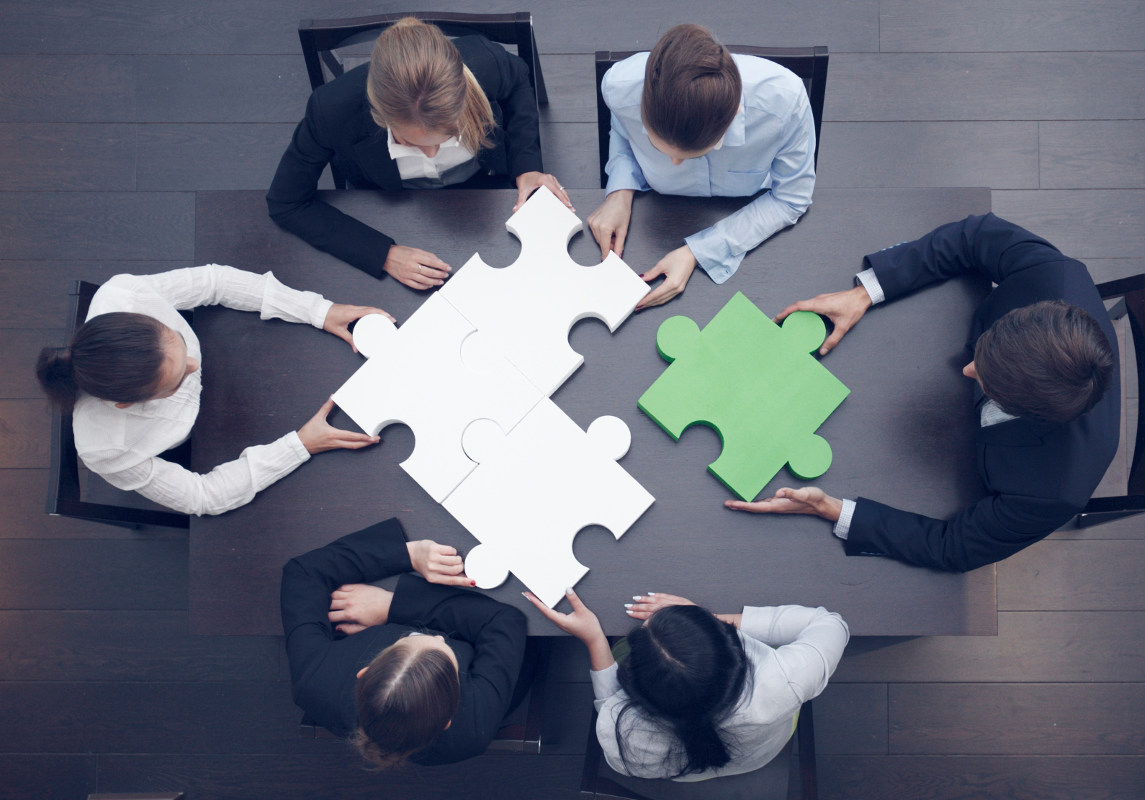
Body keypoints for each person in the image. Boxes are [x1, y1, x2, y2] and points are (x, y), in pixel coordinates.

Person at [727, 213, 1121, 572]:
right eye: (985, 352)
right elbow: (975, 235)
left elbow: (955, 548)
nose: (966, 369)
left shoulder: (1057, 491)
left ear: (1028, 411)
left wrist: (831, 509)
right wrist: (865, 293)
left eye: (989, 382)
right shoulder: (1056, 277)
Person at [35, 265, 386, 516]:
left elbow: (214, 282)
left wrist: (317, 310)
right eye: (175, 381)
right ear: (127, 404)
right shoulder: (106, 450)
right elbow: (200, 497)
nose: (194, 365)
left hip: (237, 351)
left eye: (178, 345)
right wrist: (300, 445)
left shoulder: (124, 296)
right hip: (206, 440)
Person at [267, 18, 570, 286]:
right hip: (391, 204)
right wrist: (382, 253)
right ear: (378, 115)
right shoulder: (330, 110)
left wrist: (527, 165)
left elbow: (519, 81)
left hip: (488, 186)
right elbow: (286, 202)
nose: (432, 152)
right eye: (411, 143)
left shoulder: (486, 62)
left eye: (449, 133)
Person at [588, 23, 817, 310]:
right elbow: (622, 127)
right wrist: (620, 190)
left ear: (732, 117)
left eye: (690, 154)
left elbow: (791, 198)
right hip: (655, 213)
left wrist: (698, 252)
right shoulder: (618, 86)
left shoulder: (785, 102)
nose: (673, 163)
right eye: (658, 145)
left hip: (748, 210)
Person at [526, 589, 847, 782]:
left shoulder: (620, 732)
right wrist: (709, 620)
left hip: (673, 767)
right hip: (762, 751)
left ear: (638, 692)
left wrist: (595, 638)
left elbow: (609, 702)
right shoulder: (787, 677)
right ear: (729, 651)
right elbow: (831, 623)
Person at [281, 517, 527, 766]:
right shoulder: (473, 728)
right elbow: (505, 622)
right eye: (443, 645)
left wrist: (408, 555)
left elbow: (303, 573)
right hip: (506, 667)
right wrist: (392, 607)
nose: (439, 636)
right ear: (447, 721)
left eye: (407, 639)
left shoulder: (314, 682)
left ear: (365, 673)